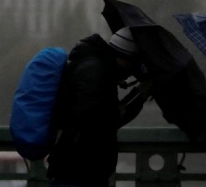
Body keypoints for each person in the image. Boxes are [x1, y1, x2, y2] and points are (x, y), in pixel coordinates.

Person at [46, 27, 152, 187]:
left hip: (82, 169)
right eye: (133, 64)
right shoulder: (95, 73)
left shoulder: (97, 69)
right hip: (79, 170)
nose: (132, 72)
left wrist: (138, 95)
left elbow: (106, 116)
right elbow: (98, 121)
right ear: (125, 58)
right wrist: (137, 96)